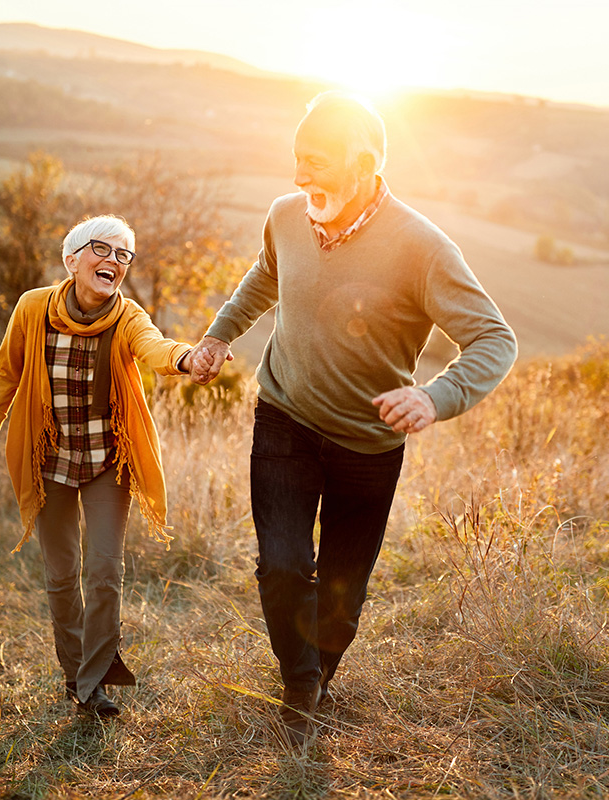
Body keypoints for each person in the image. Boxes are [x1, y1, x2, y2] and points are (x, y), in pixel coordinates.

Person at [190, 92, 518, 748]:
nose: (299, 177)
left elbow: (494, 339)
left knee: (343, 590)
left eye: (316, 161)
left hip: (367, 445)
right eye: (296, 159)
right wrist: (220, 335)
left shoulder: (421, 246)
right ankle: (299, 682)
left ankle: (319, 672)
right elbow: (265, 276)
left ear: (366, 162)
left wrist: (436, 395)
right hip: (283, 416)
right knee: (283, 565)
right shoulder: (286, 216)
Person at [0, 214, 200, 718]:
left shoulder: (127, 316)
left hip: (107, 461)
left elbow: (156, 348)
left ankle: (94, 684)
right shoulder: (33, 309)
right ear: (72, 259)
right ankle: (76, 676)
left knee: (104, 573)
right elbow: (5, 373)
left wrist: (186, 359)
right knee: (61, 574)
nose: (113, 261)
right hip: (47, 458)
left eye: (123, 255)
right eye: (102, 249)